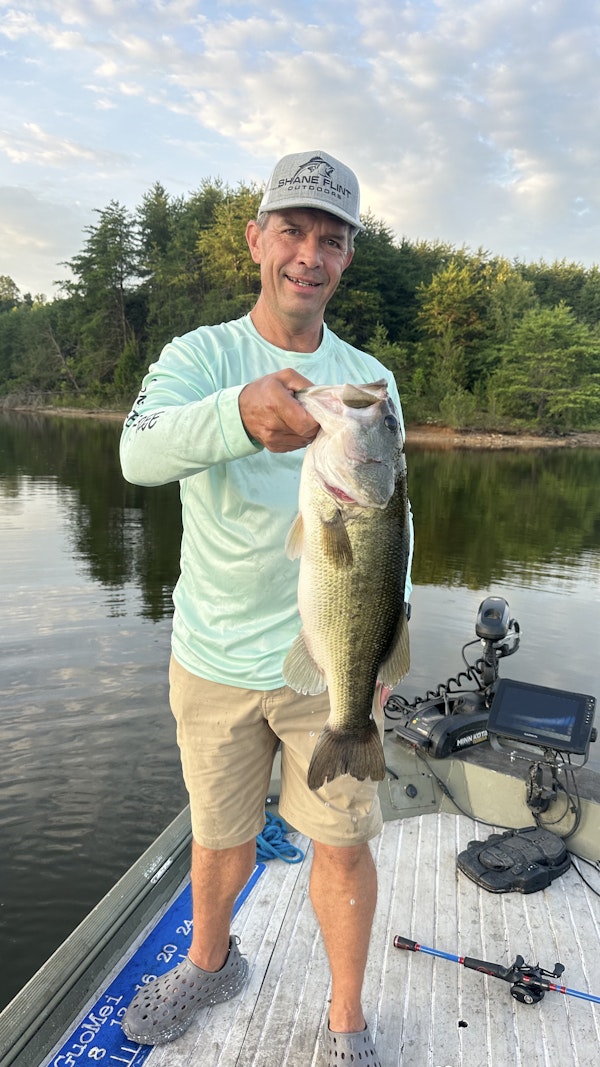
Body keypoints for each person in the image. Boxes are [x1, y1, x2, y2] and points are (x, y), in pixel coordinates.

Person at [119, 149, 412, 1066]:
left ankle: (347, 1018)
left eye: (331, 239)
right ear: (256, 240)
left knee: (342, 844)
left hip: (333, 670)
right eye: (292, 231)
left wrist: (382, 658)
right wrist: (239, 416)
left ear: (347, 258)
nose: (309, 256)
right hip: (213, 660)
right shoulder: (199, 357)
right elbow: (137, 452)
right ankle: (210, 965)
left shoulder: (368, 380)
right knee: (219, 841)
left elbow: (396, 527)